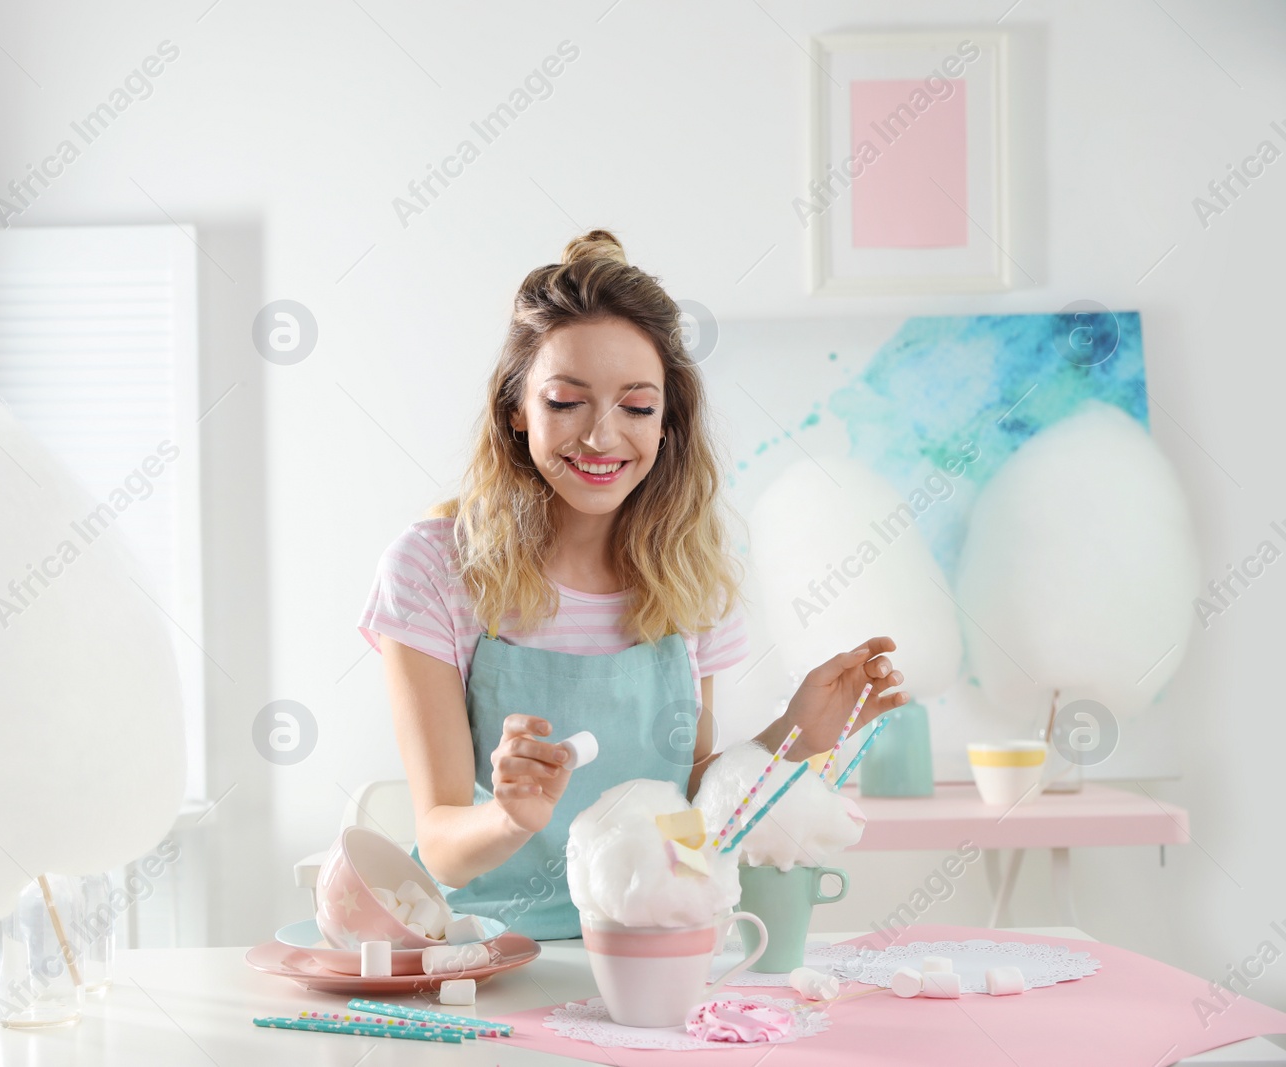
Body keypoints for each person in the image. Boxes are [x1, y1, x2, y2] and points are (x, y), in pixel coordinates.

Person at [357, 230, 910, 939]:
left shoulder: (692, 575)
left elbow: (689, 803)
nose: (600, 436)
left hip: (651, 943)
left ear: (668, 424)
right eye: (566, 401)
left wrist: (794, 737)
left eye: (637, 406)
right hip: (486, 950)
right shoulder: (435, 568)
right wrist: (509, 814)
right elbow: (440, 845)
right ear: (515, 409)